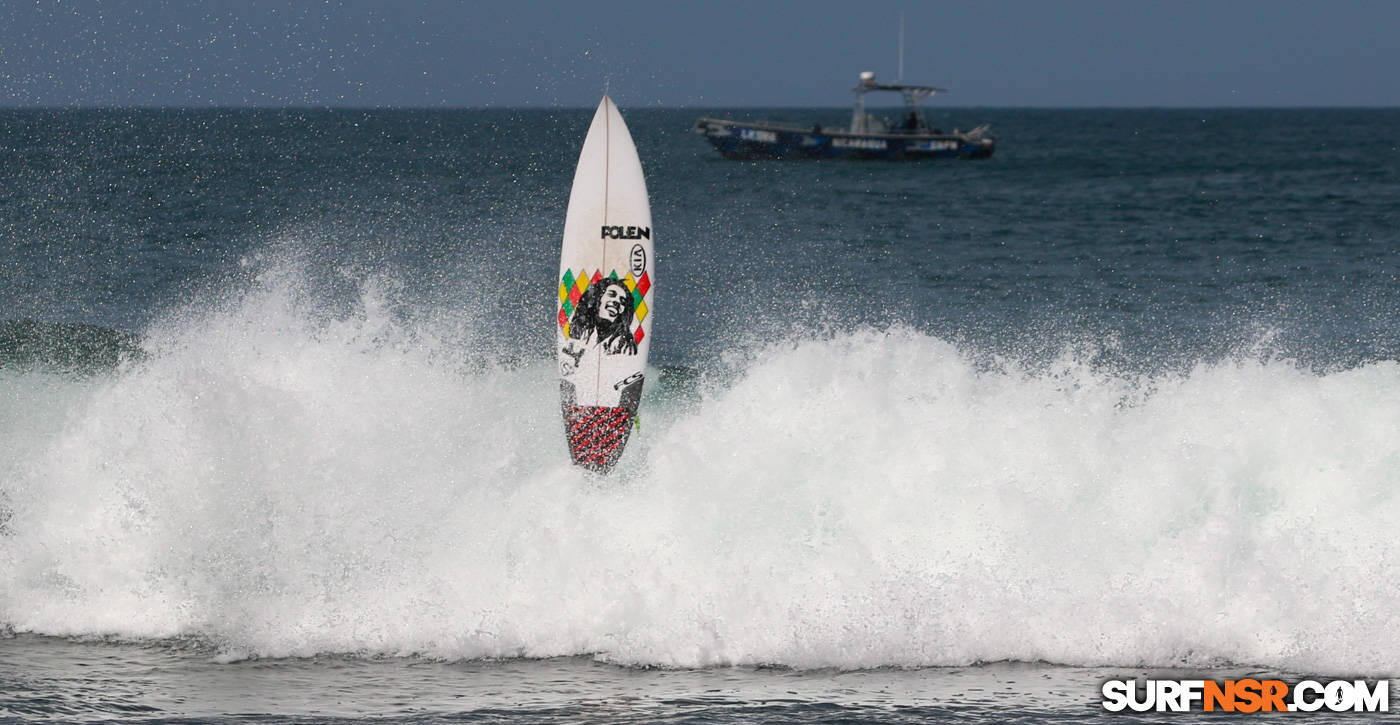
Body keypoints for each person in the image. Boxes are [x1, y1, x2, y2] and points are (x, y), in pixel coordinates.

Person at [561, 277, 637, 374]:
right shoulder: (582, 330)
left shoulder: (623, 342)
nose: (617, 302)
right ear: (599, 298)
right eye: (611, 295)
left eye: (622, 301)